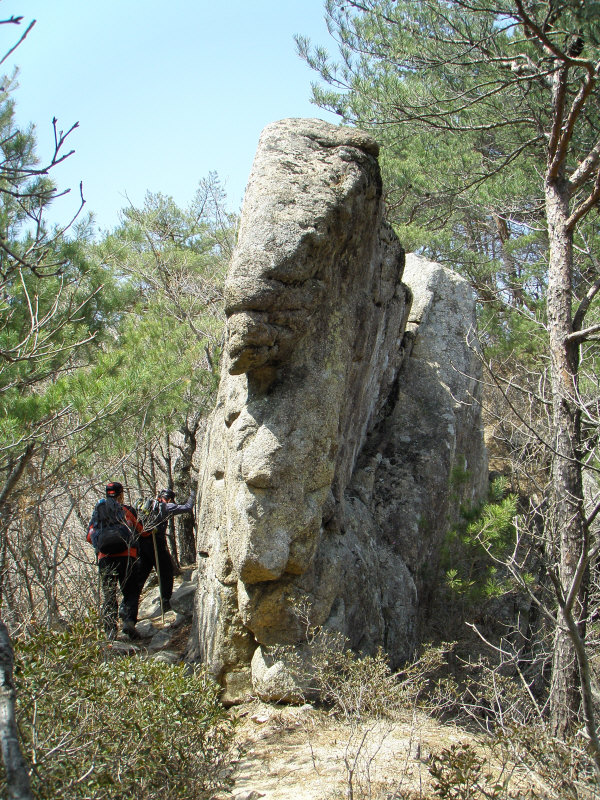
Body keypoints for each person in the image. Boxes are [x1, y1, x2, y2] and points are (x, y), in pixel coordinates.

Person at [87, 481, 144, 640]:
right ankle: (129, 622)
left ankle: (110, 630)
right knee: (130, 590)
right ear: (121, 494)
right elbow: (142, 530)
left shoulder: (97, 512)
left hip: (105, 558)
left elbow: (89, 537)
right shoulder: (126, 510)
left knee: (109, 594)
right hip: (127, 555)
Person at [138, 488, 195, 612]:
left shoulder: (149, 505)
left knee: (142, 574)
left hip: (142, 543)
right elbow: (187, 507)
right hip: (156, 542)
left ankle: (130, 608)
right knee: (166, 571)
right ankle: (165, 601)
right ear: (169, 498)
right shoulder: (167, 507)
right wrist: (193, 493)